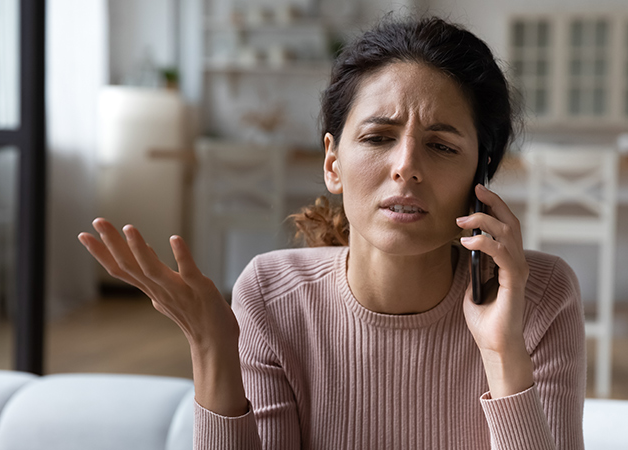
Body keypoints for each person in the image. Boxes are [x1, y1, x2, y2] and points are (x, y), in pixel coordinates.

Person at [79, 16, 585, 449]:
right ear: (333, 161)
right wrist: (212, 346)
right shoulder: (272, 295)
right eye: (377, 137)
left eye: (443, 146)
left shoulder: (538, 297)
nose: (406, 166)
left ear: (482, 173)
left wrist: (502, 355)